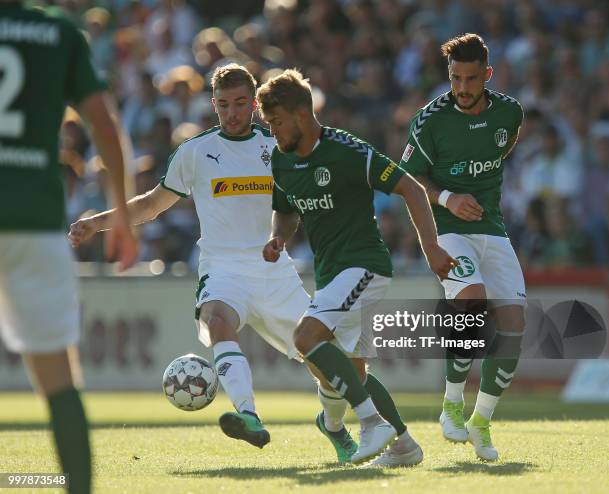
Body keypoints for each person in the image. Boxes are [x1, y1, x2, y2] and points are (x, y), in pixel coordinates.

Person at [71, 64, 361, 462]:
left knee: (327, 365)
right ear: (213, 104)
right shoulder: (195, 152)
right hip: (222, 269)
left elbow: (292, 208)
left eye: (241, 104)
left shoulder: (277, 146)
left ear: (256, 103)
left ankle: (332, 425)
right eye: (224, 105)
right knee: (217, 320)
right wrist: (99, 223)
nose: (232, 113)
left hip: (273, 269)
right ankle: (249, 416)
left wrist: (281, 236)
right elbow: (153, 204)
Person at [257, 69, 456, 465]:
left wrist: (431, 248)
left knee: (306, 337)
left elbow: (411, 188)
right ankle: (403, 446)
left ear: (301, 113)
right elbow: (284, 210)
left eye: (276, 122)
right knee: (348, 372)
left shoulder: (346, 151)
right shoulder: (281, 160)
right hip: (332, 272)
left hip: (365, 265)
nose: (273, 131)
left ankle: (370, 423)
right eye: (268, 124)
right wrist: (279, 236)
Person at [0, 2, 139, 493]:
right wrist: (120, 214)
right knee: (59, 379)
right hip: (35, 221)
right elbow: (104, 125)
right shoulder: (57, 33)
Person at [400, 33, 526, 462]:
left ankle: (481, 420)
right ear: (448, 75)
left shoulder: (510, 113)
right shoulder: (429, 120)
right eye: (456, 78)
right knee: (471, 298)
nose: (463, 88)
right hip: (447, 230)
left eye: (472, 79)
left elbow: (501, 150)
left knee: (512, 325)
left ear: (487, 75)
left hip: (492, 229)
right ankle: (452, 402)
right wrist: (447, 197)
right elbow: (408, 178)